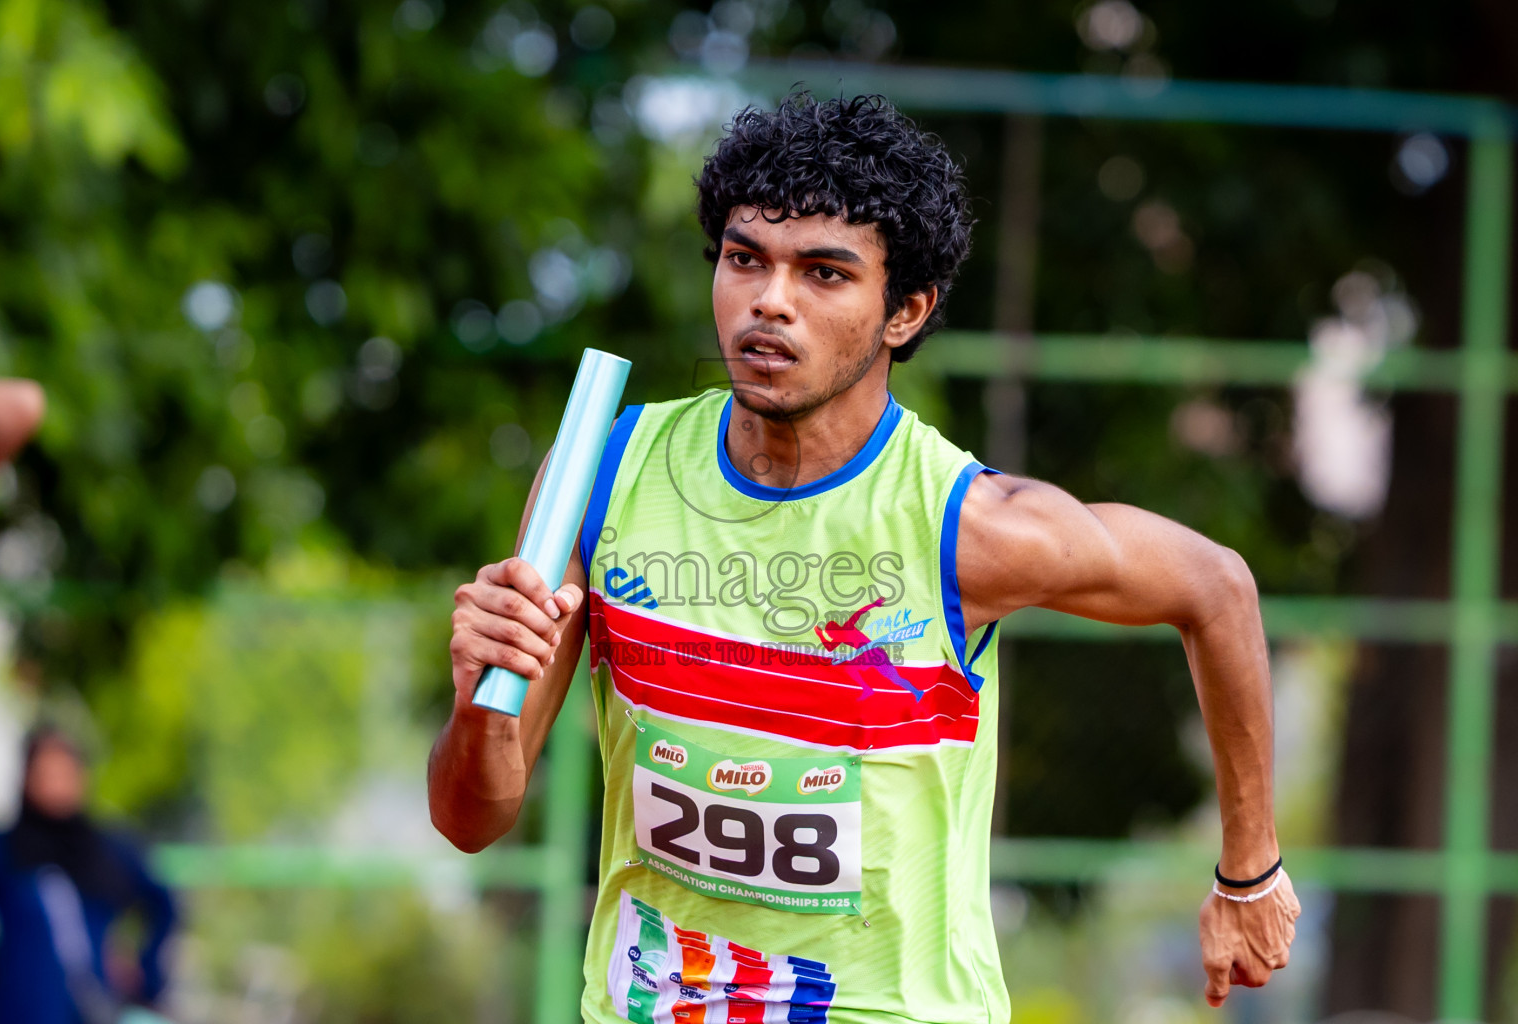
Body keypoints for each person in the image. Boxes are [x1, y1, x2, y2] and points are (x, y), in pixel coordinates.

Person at [428, 93, 1299, 1022]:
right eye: (743, 258)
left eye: (825, 274)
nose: (770, 299)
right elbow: (470, 818)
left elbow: (1217, 586)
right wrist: (484, 693)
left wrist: (1250, 870)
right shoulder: (601, 476)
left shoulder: (972, 529)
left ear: (905, 312)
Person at [0, 727, 177, 1023]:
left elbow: (163, 903)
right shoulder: (4, 850)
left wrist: (145, 969)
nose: (56, 786)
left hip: (90, 1007)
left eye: (64, 774)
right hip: (20, 1007)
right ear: (27, 778)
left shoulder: (108, 851)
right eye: (45, 774)